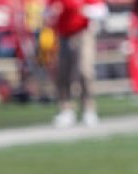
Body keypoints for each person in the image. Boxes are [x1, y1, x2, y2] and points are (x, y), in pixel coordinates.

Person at [45, 0, 107, 128]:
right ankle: (66, 109)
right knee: (63, 73)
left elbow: (102, 10)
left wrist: (84, 10)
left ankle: (88, 109)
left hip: (82, 32)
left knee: (85, 71)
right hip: (63, 35)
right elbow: (46, 13)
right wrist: (53, 12)